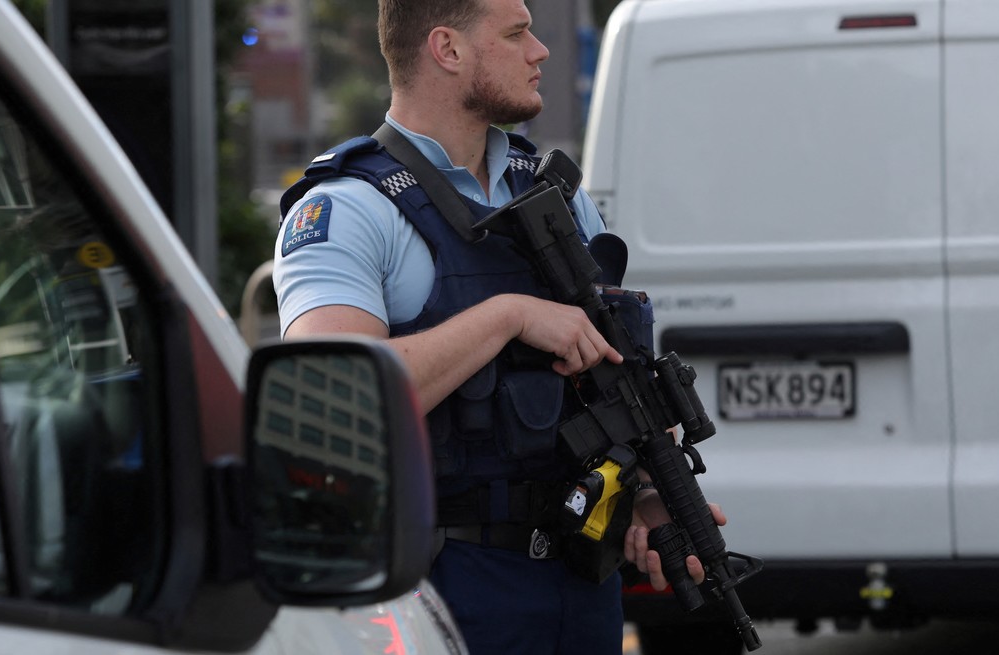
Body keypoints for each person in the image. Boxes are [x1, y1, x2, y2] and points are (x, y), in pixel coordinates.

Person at [272, 1, 726, 653]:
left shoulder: (556, 199)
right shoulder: (348, 210)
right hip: (436, 596)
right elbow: (331, 398)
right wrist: (507, 316)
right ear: (447, 50)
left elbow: (616, 382)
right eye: (516, 33)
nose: (539, 50)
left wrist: (650, 502)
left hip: (580, 588)